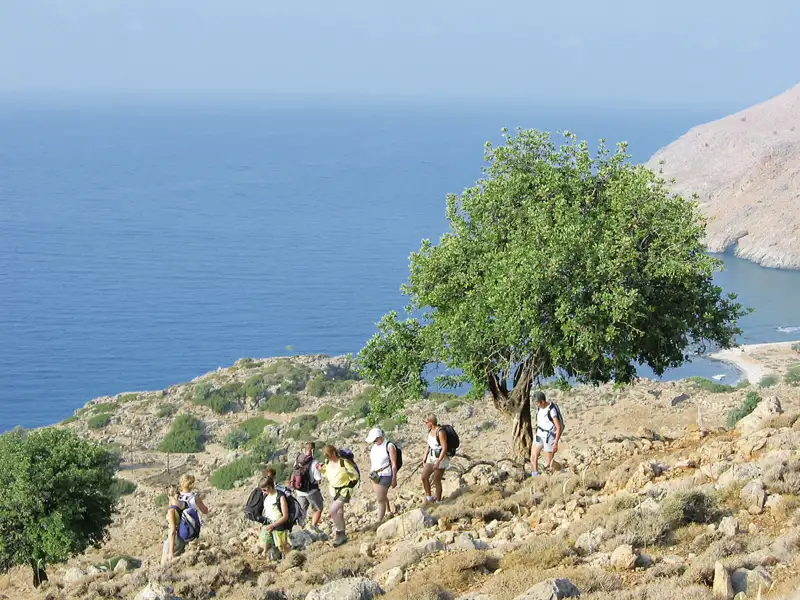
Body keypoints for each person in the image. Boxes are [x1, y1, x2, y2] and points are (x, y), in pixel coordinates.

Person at [318, 444, 359, 547]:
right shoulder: (328, 463)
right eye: (327, 457)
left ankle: (339, 533)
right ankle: (343, 535)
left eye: (329, 456)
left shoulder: (343, 462)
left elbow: (355, 475)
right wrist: (321, 470)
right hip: (334, 491)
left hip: (344, 490)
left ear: (333, 453)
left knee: (333, 511)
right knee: (339, 513)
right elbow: (328, 474)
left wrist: (350, 482)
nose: (329, 458)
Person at [366, 427, 398, 523]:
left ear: (379, 437)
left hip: (385, 474)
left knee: (380, 499)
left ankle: (379, 521)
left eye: (375, 440)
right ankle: (388, 511)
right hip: (375, 475)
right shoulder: (374, 447)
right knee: (382, 495)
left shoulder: (389, 446)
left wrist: (394, 478)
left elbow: (394, 464)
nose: (374, 442)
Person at [257, 477, 292, 560]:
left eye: (264, 490)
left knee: (282, 546)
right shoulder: (266, 496)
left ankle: (291, 558)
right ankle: (268, 555)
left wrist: (273, 525)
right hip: (268, 523)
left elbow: (285, 516)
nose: (263, 492)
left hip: (279, 524)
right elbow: (267, 511)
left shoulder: (280, 496)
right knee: (265, 540)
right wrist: (262, 524)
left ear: (270, 487)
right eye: (261, 490)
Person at [292, 442, 324, 534]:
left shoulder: (297, 460)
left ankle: (299, 530)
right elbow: (318, 480)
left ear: (304, 449)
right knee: (318, 509)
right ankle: (313, 526)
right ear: (313, 450)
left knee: (301, 511)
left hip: (299, 491)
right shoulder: (314, 462)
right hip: (311, 491)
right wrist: (321, 470)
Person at [530, 391, 562, 476]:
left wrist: (556, 443)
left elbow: (558, 427)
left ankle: (561, 470)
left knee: (549, 464)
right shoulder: (539, 408)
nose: (536, 405)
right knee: (533, 458)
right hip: (539, 435)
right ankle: (535, 477)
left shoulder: (551, 410)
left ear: (543, 402)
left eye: (537, 403)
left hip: (549, 437)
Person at [421, 414, 448, 503]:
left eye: (426, 422)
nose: (425, 424)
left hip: (441, 458)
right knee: (424, 476)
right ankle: (429, 498)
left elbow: (444, 448)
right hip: (432, 457)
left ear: (431, 422)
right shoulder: (430, 431)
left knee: (436, 480)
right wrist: (425, 455)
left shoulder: (440, 432)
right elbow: (429, 444)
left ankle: (438, 501)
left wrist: (438, 462)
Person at [161, 485, 191, 565]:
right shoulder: (184, 504)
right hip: (183, 539)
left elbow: (173, 531)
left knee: (163, 565)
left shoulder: (171, 510)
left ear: (169, 495)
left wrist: (171, 552)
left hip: (174, 540)